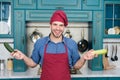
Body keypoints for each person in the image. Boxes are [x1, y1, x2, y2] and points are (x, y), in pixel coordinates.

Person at [11, 10, 97, 80]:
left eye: (61, 25)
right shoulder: (40, 43)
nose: (58, 28)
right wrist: (23, 57)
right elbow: (33, 63)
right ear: (50, 25)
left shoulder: (71, 43)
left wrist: (84, 58)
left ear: (64, 27)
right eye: (55, 24)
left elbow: (76, 66)